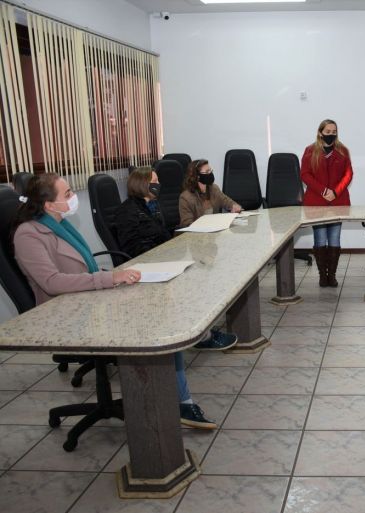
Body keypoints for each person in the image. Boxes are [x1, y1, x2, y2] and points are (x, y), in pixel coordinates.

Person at [12, 173, 217, 429]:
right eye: (67, 194)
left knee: (162, 311)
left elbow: (83, 270)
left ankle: (177, 394)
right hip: (64, 314)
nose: (73, 197)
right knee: (156, 325)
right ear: (49, 205)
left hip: (87, 300)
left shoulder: (60, 225)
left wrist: (112, 278)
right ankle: (178, 404)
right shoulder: (28, 235)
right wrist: (108, 278)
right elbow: (52, 282)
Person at [115, 166, 237, 352]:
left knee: (201, 274)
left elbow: (160, 235)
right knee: (190, 285)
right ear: (141, 184)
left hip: (162, 259)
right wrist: (162, 256)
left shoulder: (152, 206)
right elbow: (131, 247)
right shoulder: (128, 211)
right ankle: (204, 337)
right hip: (146, 267)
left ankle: (200, 330)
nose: (158, 185)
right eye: (154, 182)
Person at [300, 119, 353, 287]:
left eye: (334, 131)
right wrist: (323, 191)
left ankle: (333, 275)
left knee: (335, 238)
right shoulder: (310, 151)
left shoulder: (343, 151)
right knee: (320, 238)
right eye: (328, 131)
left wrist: (335, 192)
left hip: (338, 201)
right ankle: (323, 275)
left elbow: (348, 173)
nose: (331, 134)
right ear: (320, 132)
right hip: (317, 202)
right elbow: (305, 174)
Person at [179, 159, 242, 228]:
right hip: (195, 235)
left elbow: (227, 201)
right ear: (197, 176)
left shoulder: (214, 188)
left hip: (213, 231)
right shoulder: (185, 197)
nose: (210, 173)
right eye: (207, 171)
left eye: (210, 170)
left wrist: (234, 206)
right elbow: (187, 224)